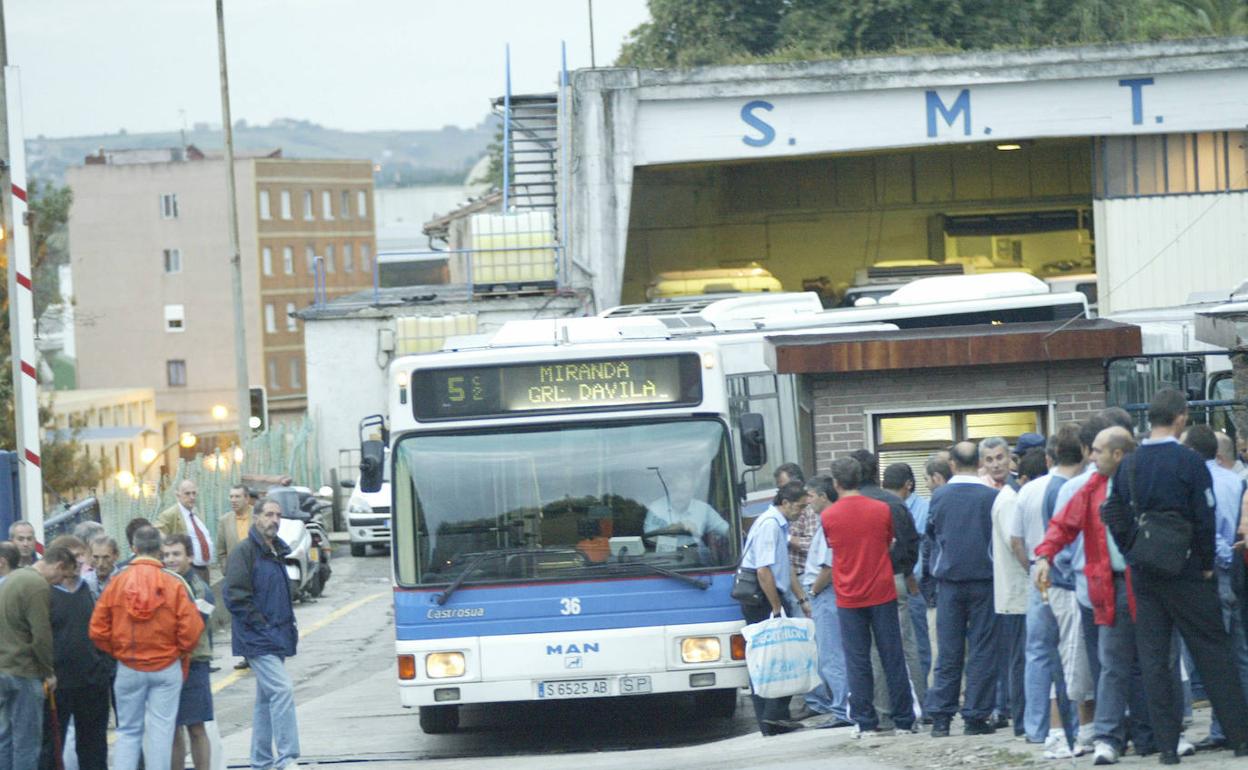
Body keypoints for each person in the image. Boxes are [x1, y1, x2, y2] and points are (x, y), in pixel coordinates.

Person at [1101, 389, 1248, 764]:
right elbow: (1205, 516)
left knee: (1154, 660)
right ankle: (1239, 737)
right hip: (1186, 571)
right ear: (1181, 418)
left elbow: (1113, 512)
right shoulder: (1189, 462)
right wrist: (1204, 563)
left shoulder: (1129, 465)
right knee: (1213, 651)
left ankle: (1167, 746)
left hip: (1145, 572)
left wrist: (1133, 549)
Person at [89, 525, 204, 770]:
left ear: (133, 548)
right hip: (166, 666)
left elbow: (97, 629)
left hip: (129, 665)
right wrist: (178, 651)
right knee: (161, 732)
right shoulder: (173, 583)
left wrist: (118, 650)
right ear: (160, 550)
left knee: (128, 732)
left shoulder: (117, 582)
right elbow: (192, 629)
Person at [823, 457, 917, 737]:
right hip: (881, 589)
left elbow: (832, 545)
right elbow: (889, 541)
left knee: (857, 660)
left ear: (837, 483)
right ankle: (903, 720)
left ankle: (866, 722)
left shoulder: (828, 516)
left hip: (848, 595)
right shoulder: (881, 509)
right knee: (893, 657)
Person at [923, 441, 999, 737]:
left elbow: (931, 537)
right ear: (980, 462)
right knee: (981, 650)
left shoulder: (939, 497)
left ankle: (941, 718)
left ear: (952, 464)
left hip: (949, 582)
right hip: (984, 579)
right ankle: (976, 717)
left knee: (948, 651)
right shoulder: (992, 496)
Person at [1183, 425, 1248, 752]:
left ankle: (1226, 729)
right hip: (1237, 572)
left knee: (1216, 657)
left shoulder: (1196, 482)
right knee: (1239, 654)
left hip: (1212, 573)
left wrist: (1220, 556)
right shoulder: (1237, 482)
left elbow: (1205, 528)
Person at [226, 496, 301, 766]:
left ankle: (261, 760)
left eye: (278, 515)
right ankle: (287, 757)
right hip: (258, 638)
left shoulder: (276, 551)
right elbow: (235, 596)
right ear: (256, 517)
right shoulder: (244, 552)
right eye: (268, 514)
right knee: (282, 691)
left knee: (266, 701)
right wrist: (261, 625)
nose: (274, 520)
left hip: (275, 636)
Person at [849, 449, 921, 729]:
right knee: (904, 647)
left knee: (869, 651)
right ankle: (916, 708)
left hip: (859, 583)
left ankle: (881, 713)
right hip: (895, 577)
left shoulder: (848, 505)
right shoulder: (893, 502)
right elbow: (910, 542)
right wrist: (905, 570)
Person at [0, 542, 78, 770]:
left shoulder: (13, 579)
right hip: (23, 672)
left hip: (3, 668)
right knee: (27, 742)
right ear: (59, 565)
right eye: (64, 575)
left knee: (5, 738)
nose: (62, 582)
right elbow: (41, 635)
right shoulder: (37, 586)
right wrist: (48, 672)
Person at [738, 481, 807, 736]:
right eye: (799, 507)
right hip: (764, 598)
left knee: (780, 657)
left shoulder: (777, 523)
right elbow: (764, 570)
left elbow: (783, 566)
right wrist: (777, 609)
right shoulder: (770, 525)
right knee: (768, 660)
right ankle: (770, 719)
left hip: (772, 596)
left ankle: (777, 716)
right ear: (786, 503)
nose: (801, 512)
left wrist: (800, 599)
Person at [42, 535, 110, 770]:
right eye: (74, 556)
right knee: (52, 748)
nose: (80, 561)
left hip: (92, 681)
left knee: (93, 746)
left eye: (82, 555)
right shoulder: (46, 592)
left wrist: (103, 667)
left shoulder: (90, 589)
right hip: (58, 684)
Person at [799, 475, 851, 727]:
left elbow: (828, 567)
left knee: (832, 656)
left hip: (826, 594)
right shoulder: (825, 522)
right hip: (825, 593)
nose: (807, 501)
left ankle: (843, 710)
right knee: (831, 654)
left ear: (822, 496)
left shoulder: (830, 522)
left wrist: (815, 591)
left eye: (810, 495)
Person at [990, 439, 1033, 735]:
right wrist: (1034, 570)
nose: (996, 464)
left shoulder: (1012, 493)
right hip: (1017, 592)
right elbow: (1015, 542)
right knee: (1020, 659)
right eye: (990, 459)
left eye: (1000, 457)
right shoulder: (1008, 499)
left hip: (1015, 591)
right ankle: (1021, 721)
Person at [162, 534, 214, 770]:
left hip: (194, 663)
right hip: (168, 664)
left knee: (196, 726)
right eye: (166, 555)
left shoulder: (201, 589)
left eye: (176, 554)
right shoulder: (162, 584)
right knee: (172, 729)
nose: (170, 559)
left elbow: (195, 626)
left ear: (190, 557)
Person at [883, 462, 933, 705]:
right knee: (903, 645)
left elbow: (919, 548)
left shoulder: (923, 508)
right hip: (899, 583)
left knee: (917, 644)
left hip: (912, 584)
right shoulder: (887, 506)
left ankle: (921, 700)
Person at [642, 474, 730, 554]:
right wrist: (674, 529)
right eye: (675, 491)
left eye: (683, 492)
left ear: (692, 493)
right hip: (663, 558)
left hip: (697, 559)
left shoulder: (703, 509)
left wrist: (738, 535)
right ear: (668, 490)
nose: (679, 496)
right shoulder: (656, 508)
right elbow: (648, 539)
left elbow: (728, 531)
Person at [156, 480, 215, 582]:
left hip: (204, 569)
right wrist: (171, 550)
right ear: (178, 495)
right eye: (187, 493)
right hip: (187, 570)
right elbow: (157, 531)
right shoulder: (171, 514)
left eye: (194, 493)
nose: (192, 497)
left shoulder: (195, 512)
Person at [84, 535, 120, 600]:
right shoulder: (85, 582)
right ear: (90, 556)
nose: (100, 563)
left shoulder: (125, 580)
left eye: (106, 557)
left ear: (116, 555)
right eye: (96, 557)